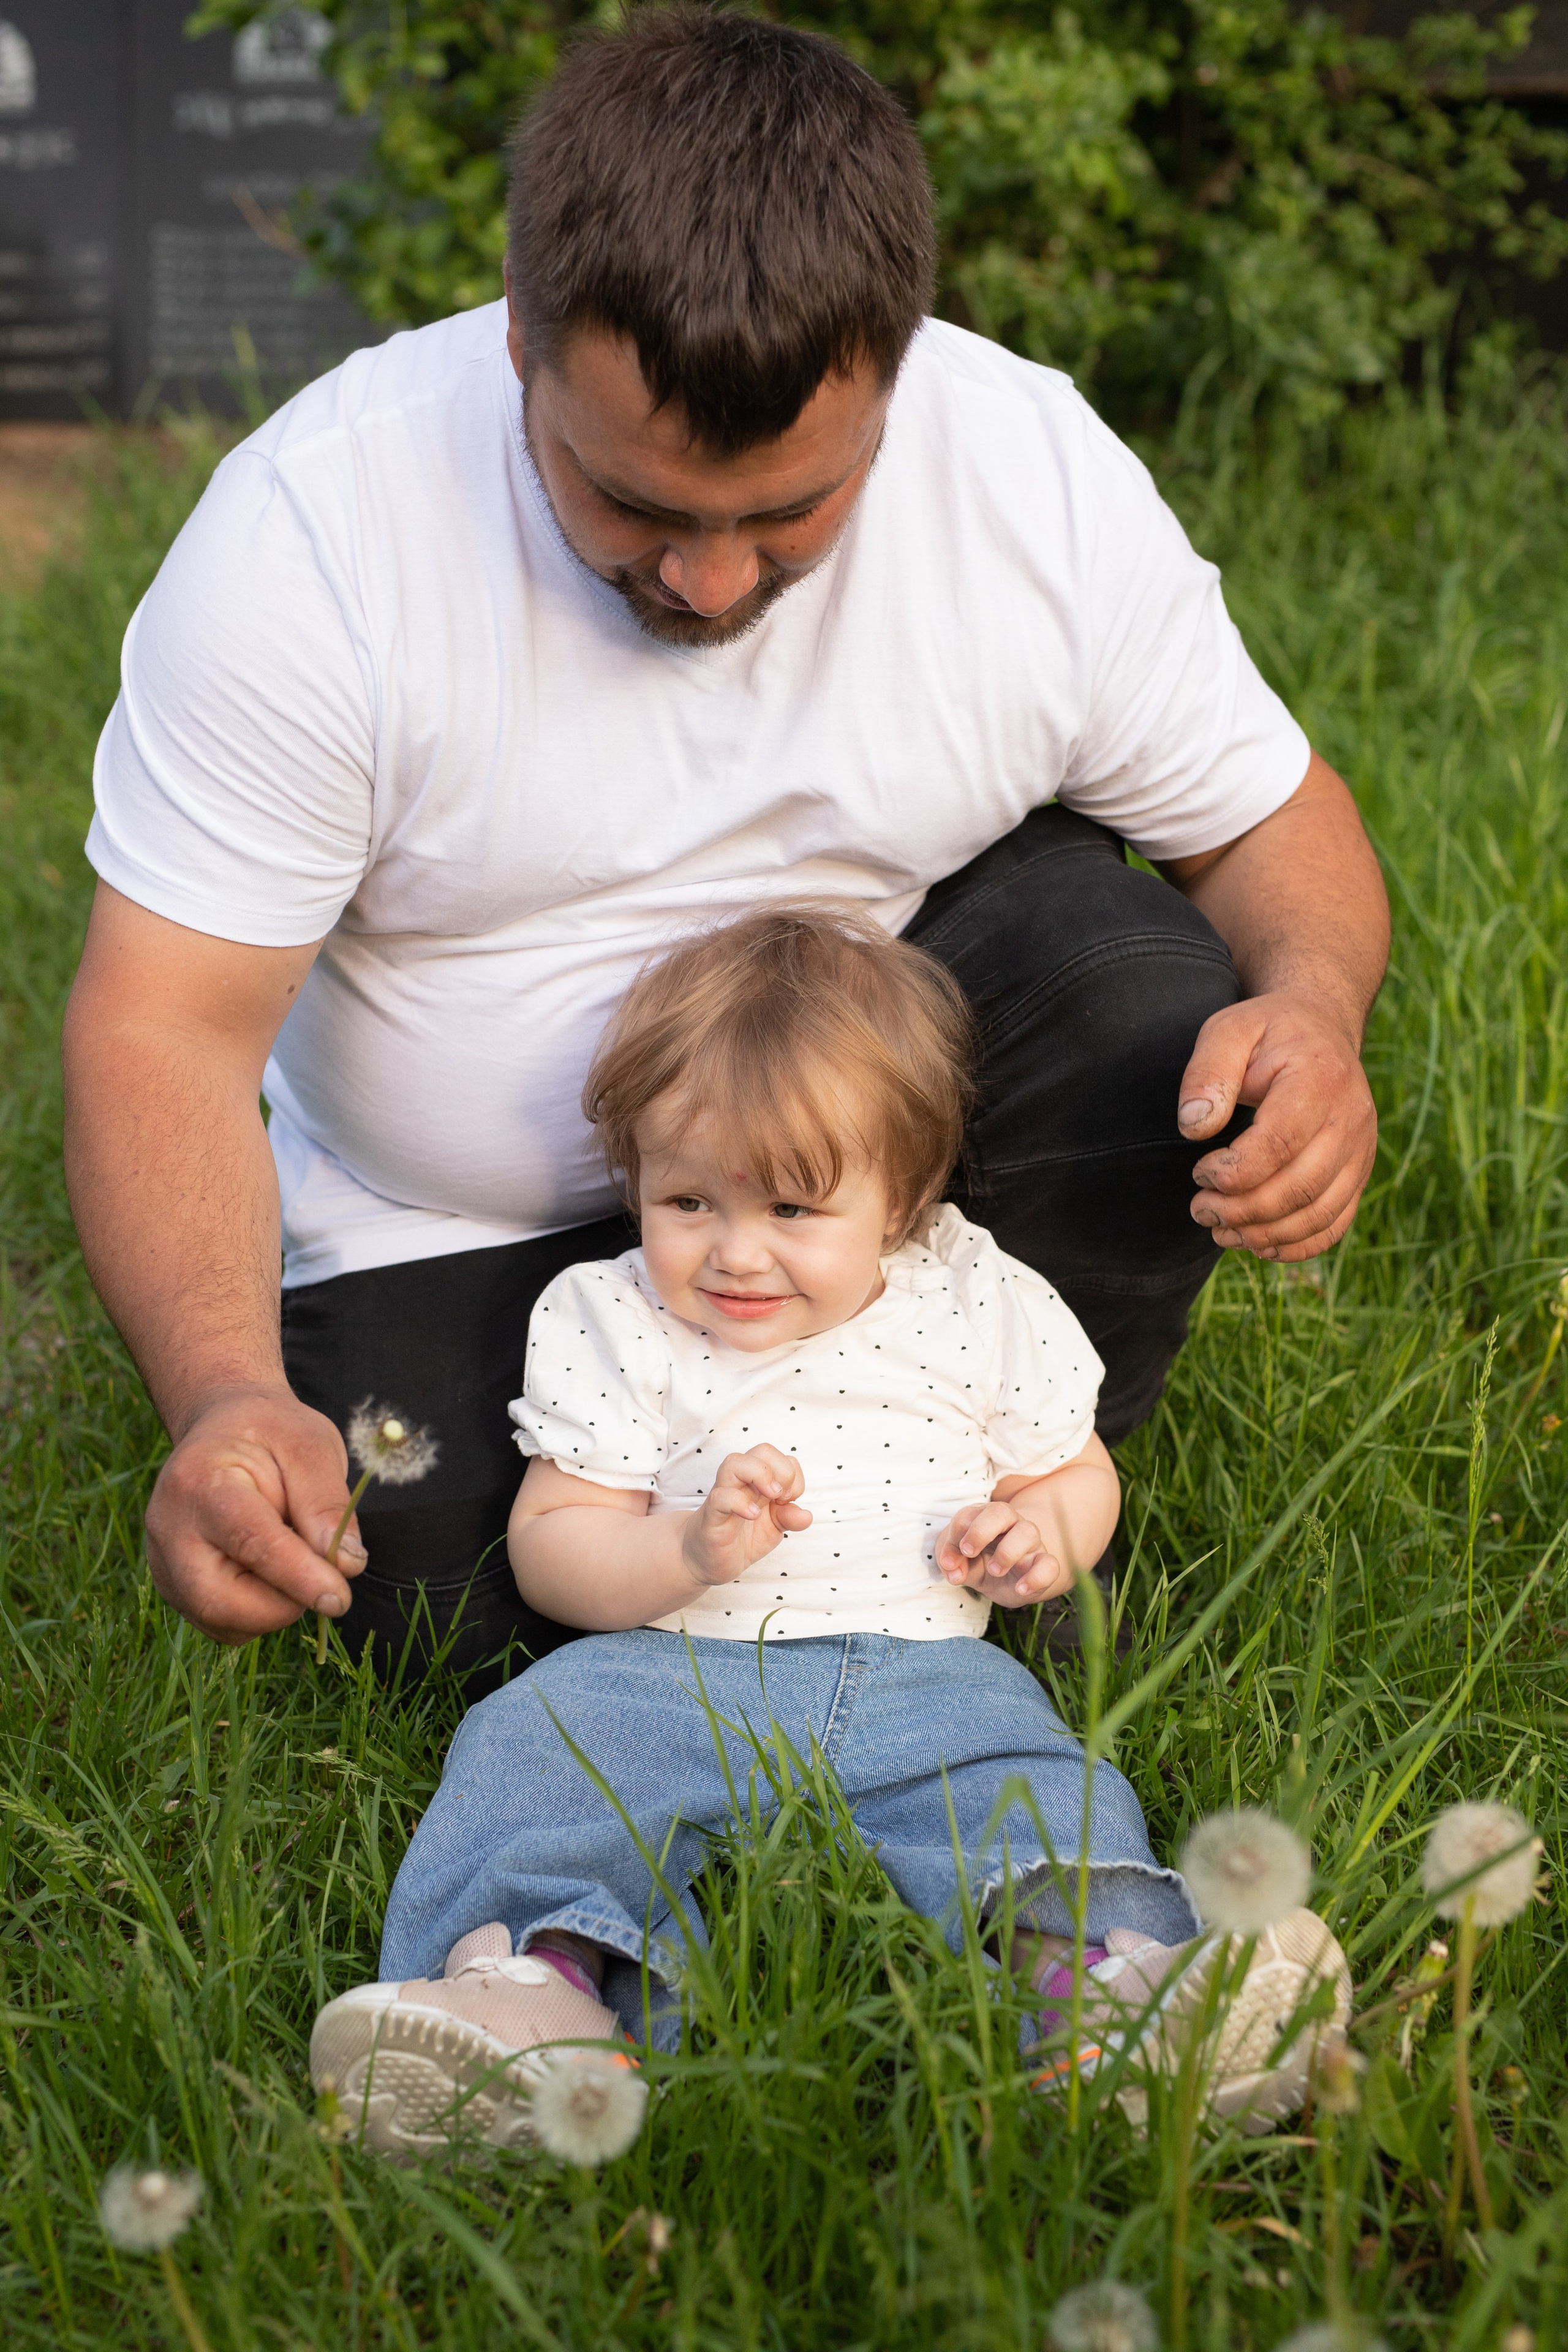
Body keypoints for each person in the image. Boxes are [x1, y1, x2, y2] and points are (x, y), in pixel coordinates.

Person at [62, 9, 1388, 1686]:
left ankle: (1003, 1493)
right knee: (414, 1586)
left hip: (860, 1170)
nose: (708, 581)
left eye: (786, 513)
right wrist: (226, 1394)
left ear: (897, 367)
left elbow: (1271, 819)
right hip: (448, 1222)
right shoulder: (313, 543)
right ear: (522, 329)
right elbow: (163, 1025)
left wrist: (1314, 1009)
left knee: (1144, 1012)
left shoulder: (1025, 472)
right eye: (635, 505)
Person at [309, 908, 1350, 2155]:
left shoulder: (974, 1294)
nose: (734, 1252)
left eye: (794, 1208)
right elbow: (554, 1542)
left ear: (902, 1198)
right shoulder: (610, 1314)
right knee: (533, 1753)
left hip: (933, 1681)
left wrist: (1039, 1533)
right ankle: (531, 2000)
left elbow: (1073, 1468)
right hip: (662, 1672)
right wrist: (683, 1553)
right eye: (686, 1198)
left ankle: (1110, 1995)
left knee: (1039, 1797)